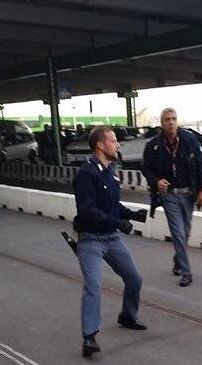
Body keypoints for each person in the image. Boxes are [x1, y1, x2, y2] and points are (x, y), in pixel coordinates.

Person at [72, 126, 148, 357]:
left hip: (111, 237)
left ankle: (127, 315)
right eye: (114, 141)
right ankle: (89, 337)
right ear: (100, 146)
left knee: (134, 278)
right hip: (90, 239)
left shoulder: (110, 171)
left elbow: (112, 205)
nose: (118, 145)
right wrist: (118, 222)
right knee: (93, 285)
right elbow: (87, 211)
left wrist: (131, 214)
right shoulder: (86, 174)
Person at [142, 107, 202, 287]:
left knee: (185, 232)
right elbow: (146, 168)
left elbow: (200, 164)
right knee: (178, 233)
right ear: (161, 123)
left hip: (189, 194)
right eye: (167, 120)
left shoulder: (189, 140)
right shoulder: (154, 145)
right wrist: (156, 181)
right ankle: (186, 272)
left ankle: (178, 261)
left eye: (173, 119)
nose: (171, 122)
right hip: (169, 195)